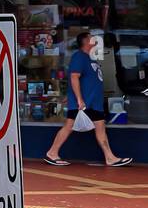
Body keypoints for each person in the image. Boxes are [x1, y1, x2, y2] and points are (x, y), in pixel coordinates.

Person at [44, 32, 133, 168]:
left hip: (94, 103)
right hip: (83, 103)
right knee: (69, 126)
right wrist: (79, 99)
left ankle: (110, 158)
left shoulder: (90, 58)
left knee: (101, 128)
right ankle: (52, 153)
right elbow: (74, 77)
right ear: (86, 41)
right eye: (91, 37)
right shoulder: (79, 57)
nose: (95, 39)